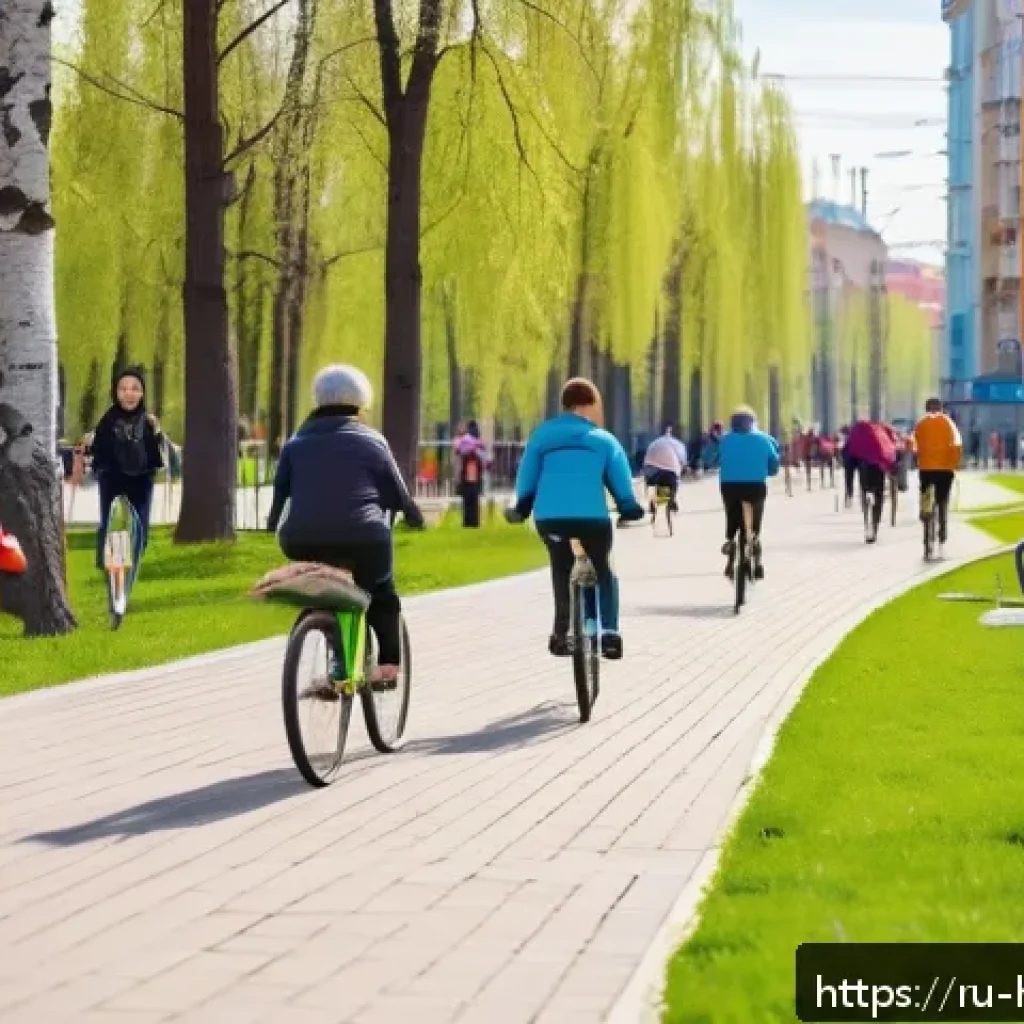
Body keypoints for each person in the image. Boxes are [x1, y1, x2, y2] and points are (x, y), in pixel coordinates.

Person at [267, 365, 425, 685]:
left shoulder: (295, 445)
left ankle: (337, 664)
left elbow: (280, 494)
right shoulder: (372, 441)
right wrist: (413, 517)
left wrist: (272, 524)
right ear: (361, 401)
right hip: (363, 538)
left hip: (301, 539)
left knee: (329, 592)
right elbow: (399, 495)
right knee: (381, 593)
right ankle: (388, 667)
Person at [511, 377, 645, 661]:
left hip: (551, 519)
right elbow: (621, 481)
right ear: (591, 404)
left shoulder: (541, 436)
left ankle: (561, 635)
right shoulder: (603, 439)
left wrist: (522, 506)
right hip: (592, 519)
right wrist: (628, 506)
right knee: (604, 568)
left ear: (565, 404)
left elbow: (526, 480)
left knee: (560, 569)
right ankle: (609, 633)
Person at [88, 366, 164, 572]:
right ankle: (114, 567)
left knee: (140, 526)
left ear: (142, 393)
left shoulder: (149, 421)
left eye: (135, 389)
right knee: (114, 522)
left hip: (142, 479)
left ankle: (130, 564)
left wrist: (157, 433)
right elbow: (98, 449)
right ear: (116, 392)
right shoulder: (108, 420)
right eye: (123, 389)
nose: (129, 394)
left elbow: (157, 451)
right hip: (113, 478)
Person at [718, 406, 780, 580]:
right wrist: (770, 471)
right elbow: (774, 462)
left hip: (729, 486)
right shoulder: (764, 439)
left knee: (732, 512)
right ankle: (754, 542)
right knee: (754, 519)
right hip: (755, 487)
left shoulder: (725, 440)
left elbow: (712, 457)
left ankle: (730, 541)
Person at [914, 397, 962, 552]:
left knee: (925, 492)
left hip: (926, 468)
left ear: (926, 408)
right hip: (945, 469)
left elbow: (914, 444)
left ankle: (924, 511)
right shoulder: (949, 423)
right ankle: (942, 526)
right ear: (941, 408)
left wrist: (918, 459)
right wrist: (955, 464)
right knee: (943, 499)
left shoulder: (920, 423)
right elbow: (956, 444)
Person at [844, 419, 899, 543]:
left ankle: (867, 523)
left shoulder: (857, 433)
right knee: (878, 497)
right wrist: (892, 469)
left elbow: (849, 458)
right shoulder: (882, 432)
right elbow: (892, 451)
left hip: (864, 468)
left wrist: (849, 489)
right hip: (878, 468)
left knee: (866, 493)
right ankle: (874, 527)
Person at [642, 424, 688, 513]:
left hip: (651, 473)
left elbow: (646, 460)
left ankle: (654, 500)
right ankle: (671, 499)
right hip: (669, 474)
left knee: (651, 482)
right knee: (674, 480)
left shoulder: (653, 443)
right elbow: (683, 461)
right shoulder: (679, 444)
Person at [454, 420, 487, 528]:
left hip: (469, 470)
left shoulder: (463, 442)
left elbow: (458, 451)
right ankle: (473, 521)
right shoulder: (476, 443)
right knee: (473, 496)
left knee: (469, 497)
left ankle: (469, 521)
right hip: (473, 471)